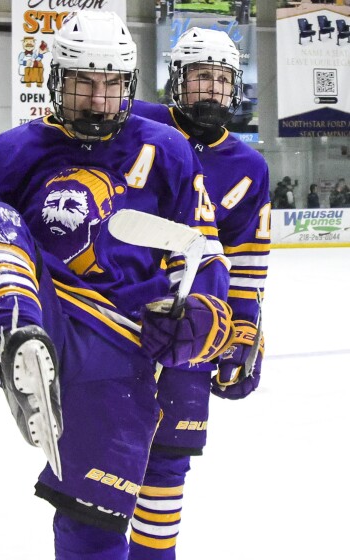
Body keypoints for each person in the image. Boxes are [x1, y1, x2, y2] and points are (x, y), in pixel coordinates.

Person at [0, 11, 233, 560]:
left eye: (111, 85)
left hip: (124, 343)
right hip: (44, 318)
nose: (98, 99)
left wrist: (199, 317)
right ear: (57, 81)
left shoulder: (168, 150)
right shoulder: (11, 151)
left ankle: (28, 356)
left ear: (129, 85)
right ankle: (14, 344)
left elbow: (202, 254)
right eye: (84, 83)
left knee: (91, 522)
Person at [130, 27, 270, 560]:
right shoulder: (134, 121)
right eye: (200, 77)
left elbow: (249, 260)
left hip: (196, 329)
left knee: (168, 461)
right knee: (102, 459)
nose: (211, 89)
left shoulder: (248, 167)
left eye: (222, 79)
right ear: (176, 81)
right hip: (119, 317)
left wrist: (246, 329)